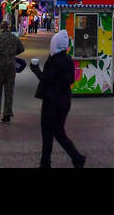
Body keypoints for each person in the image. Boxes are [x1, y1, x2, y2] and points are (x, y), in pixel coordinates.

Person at [29, 31, 86, 168]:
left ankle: (51, 162)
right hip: (64, 100)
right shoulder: (68, 60)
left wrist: (35, 69)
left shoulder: (53, 60)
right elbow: (70, 79)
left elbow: (46, 79)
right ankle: (75, 158)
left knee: (48, 133)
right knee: (58, 132)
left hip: (51, 101)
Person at [0, 20, 26, 122]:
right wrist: (12, 54)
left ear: (1, 27)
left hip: (0, 64)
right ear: (8, 27)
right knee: (9, 90)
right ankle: (7, 115)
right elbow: (22, 48)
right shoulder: (14, 37)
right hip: (11, 65)